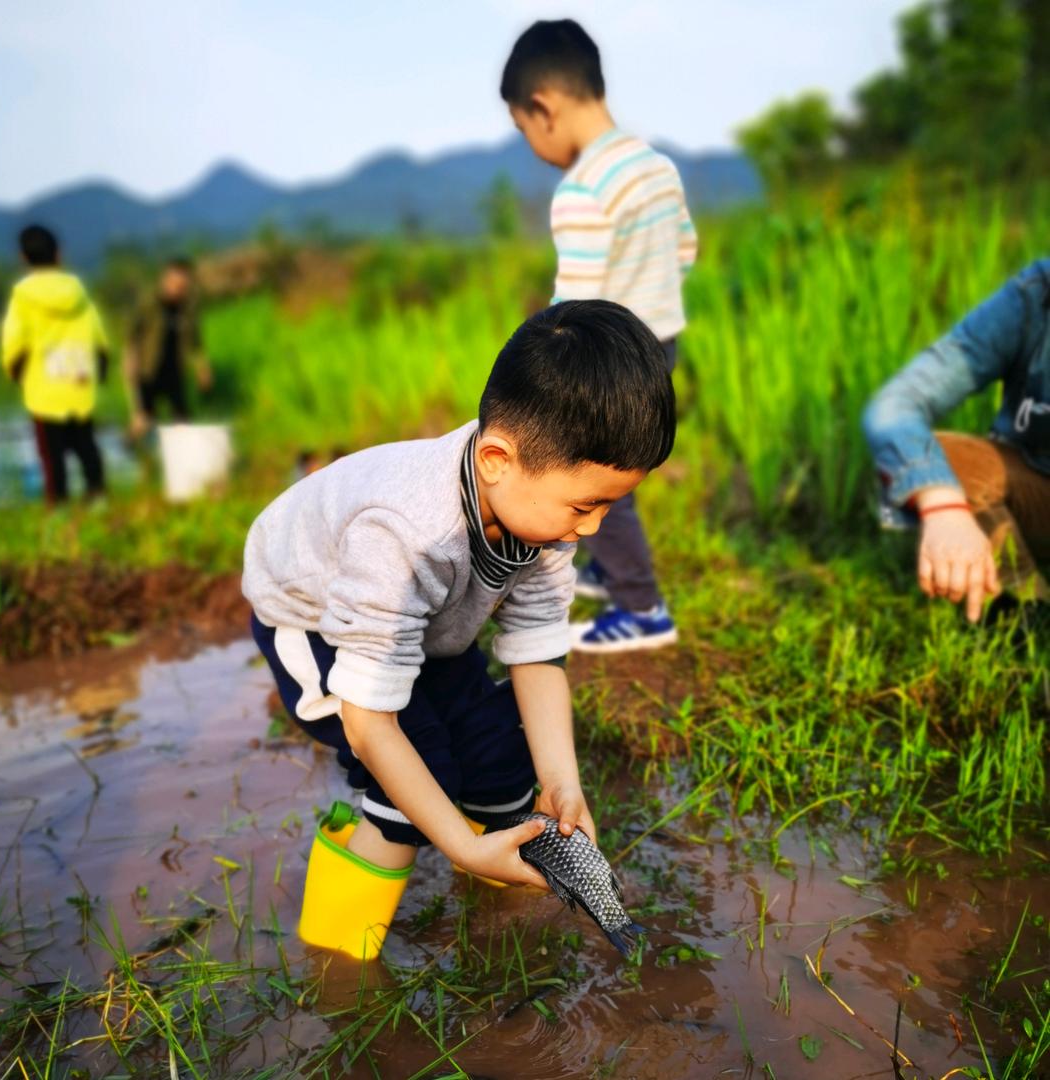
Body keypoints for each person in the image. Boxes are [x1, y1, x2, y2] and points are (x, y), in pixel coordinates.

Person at [242, 300, 676, 958]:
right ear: (498, 459)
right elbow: (370, 722)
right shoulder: (402, 532)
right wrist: (462, 846)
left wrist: (563, 783)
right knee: (414, 780)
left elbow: (536, 649)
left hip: (426, 623)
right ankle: (336, 962)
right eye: (585, 506)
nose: (591, 529)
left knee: (501, 757)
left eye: (609, 506)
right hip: (318, 620)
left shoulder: (537, 511)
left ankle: (510, 916)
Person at [500, 19, 697, 653]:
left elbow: (576, 307)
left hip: (608, 358)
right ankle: (611, 575)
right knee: (620, 465)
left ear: (544, 108)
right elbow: (686, 249)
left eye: (525, 131)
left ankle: (643, 611)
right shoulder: (656, 167)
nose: (533, 144)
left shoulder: (583, 190)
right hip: (660, 341)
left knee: (598, 477)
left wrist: (546, 363)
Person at [863, 258, 1050, 622]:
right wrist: (943, 506)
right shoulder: (1031, 300)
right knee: (940, 459)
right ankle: (1026, 609)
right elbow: (896, 404)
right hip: (1038, 489)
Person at [0, 224, 110, 504]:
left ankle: (58, 516)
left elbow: (14, 346)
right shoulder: (78, 292)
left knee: (53, 461)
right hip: (80, 384)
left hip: (44, 392)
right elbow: (99, 340)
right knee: (87, 450)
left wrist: (16, 373)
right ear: (59, 254)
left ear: (24, 258)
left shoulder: (23, 296)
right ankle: (98, 503)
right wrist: (102, 370)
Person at [124, 256, 210, 438]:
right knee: (143, 421)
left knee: (183, 420)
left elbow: (195, 340)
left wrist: (202, 367)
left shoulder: (188, 308)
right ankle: (129, 449)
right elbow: (132, 336)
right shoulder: (149, 303)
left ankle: (182, 459)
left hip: (174, 371)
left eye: (183, 286)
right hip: (148, 370)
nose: (178, 289)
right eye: (174, 284)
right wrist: (130, 364)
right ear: (165, 280)